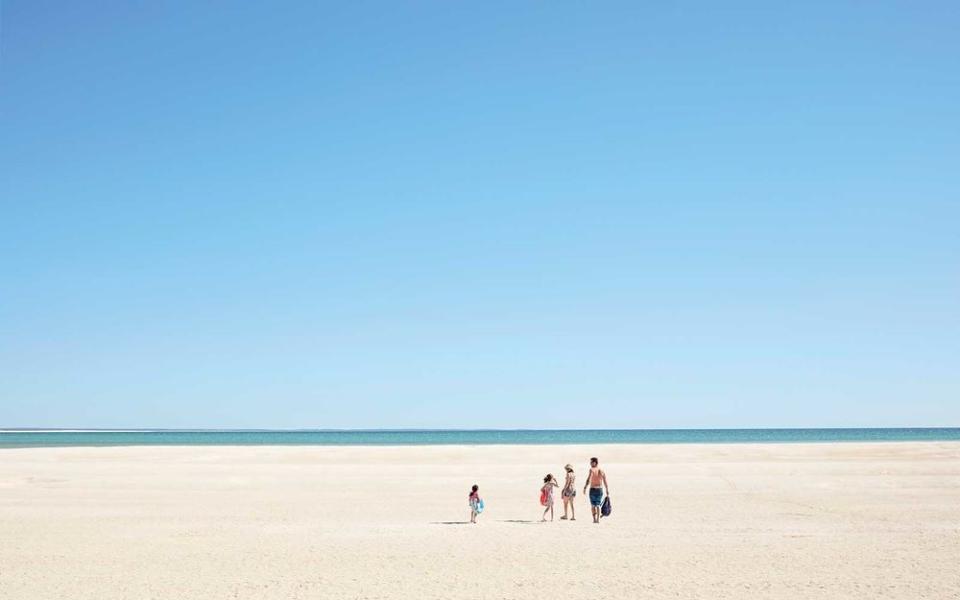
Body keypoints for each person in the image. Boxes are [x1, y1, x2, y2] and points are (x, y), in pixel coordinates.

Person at [582, 457, 609, 524]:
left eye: (591, 462)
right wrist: (607, 489)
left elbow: (588, 479)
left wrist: (585, 487)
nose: (590, 463)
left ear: (595, 462)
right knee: (598, 505)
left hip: (593, 489)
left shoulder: (591, 470)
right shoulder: (601, 470)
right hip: (600, 489)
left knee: (593, 505)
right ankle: (598, 520)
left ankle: (594, 519)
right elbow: (605, 481)